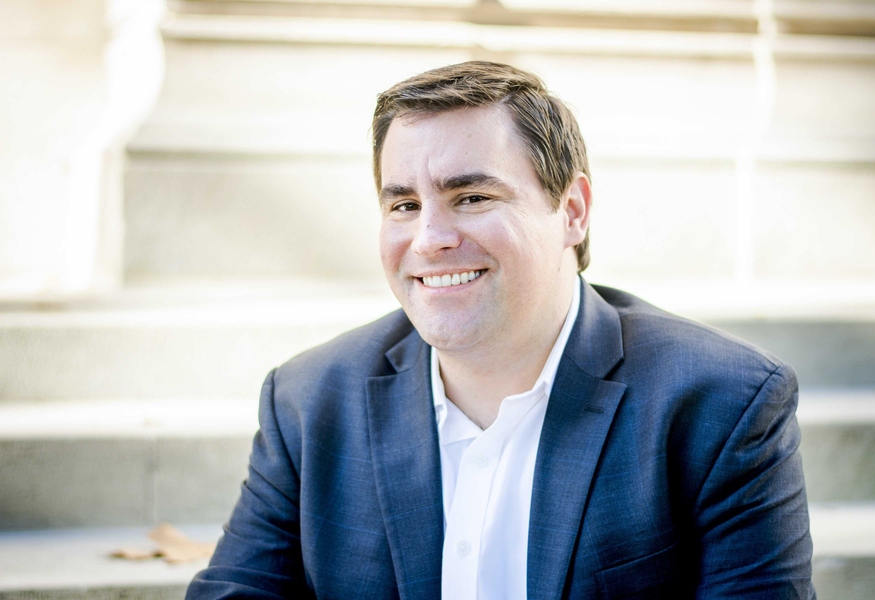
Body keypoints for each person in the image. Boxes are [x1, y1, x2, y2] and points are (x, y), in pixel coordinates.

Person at [187, 61, 814, 599]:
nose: (430, 239)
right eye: (403, 205)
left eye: (472, 197)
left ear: (571, 210)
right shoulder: (308, 401)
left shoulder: (721, 403)